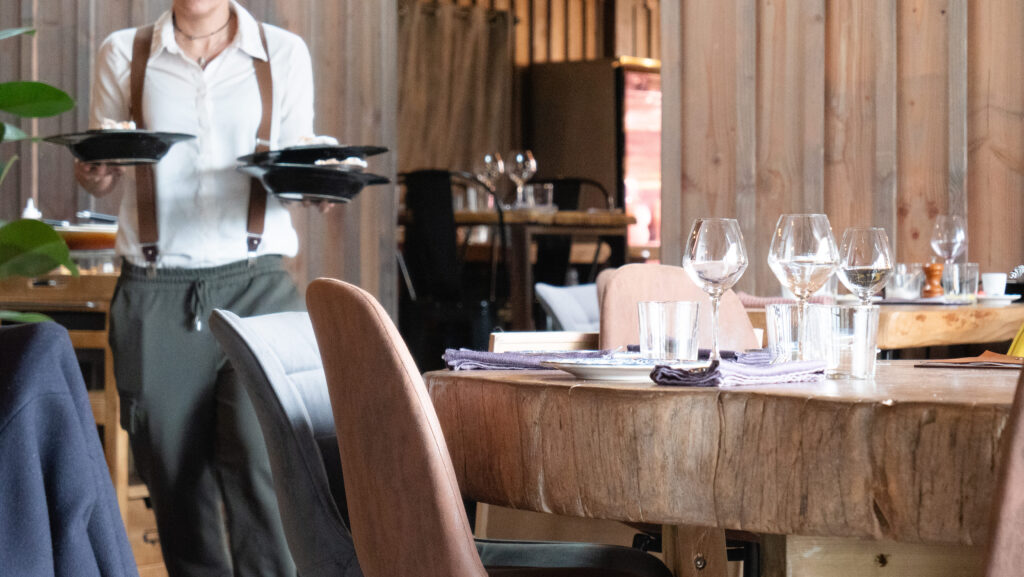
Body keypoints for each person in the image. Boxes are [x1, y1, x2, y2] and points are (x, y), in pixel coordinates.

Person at [76, 1, 317, 574]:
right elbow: (102, 168)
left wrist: (317, 179)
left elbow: (300, 158)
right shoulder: (124, 52)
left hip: (259, 289)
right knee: (176, 484)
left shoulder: (283, 53)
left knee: (266, 467)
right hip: (156, 292)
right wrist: (94, 171)